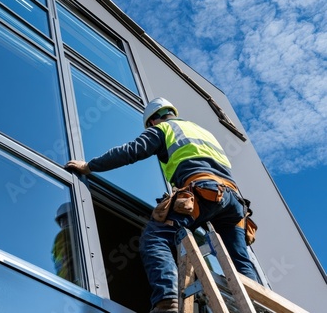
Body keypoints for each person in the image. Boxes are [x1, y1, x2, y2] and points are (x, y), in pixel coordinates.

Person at [65, 97, 259, 313]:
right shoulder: (202, 131)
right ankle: (256, 308)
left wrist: (91, 166)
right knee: (240, 262)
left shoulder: (164, 129)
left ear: (152, 121)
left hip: (203, 189)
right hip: (234, 202)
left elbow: (131, 151)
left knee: (155, 238)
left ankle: (167, 301)